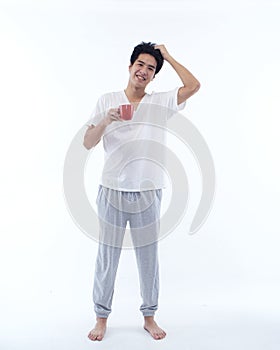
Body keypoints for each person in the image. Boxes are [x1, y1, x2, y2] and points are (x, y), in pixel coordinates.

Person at [83, 42, 200, 341]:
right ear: (130, 66)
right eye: (140, 64)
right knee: (107, 257)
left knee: (148, 257)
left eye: (151, 68)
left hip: (148, 192)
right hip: (111, 191)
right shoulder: (107, 100)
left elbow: (193, 85)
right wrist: (106, 119)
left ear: (154, 75)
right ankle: (101, 318)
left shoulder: (159, 102)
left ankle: (149, 316)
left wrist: (169, 56)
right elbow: (87, 142)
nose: (144, 71)